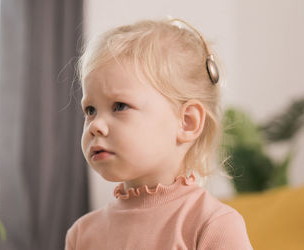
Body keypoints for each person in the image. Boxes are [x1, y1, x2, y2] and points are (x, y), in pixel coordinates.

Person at [65, 18, 253, 249]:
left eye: (120, 106)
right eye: (90, 110)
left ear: (187, 122)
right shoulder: (82, 235)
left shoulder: (213, 225)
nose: (95, 125)